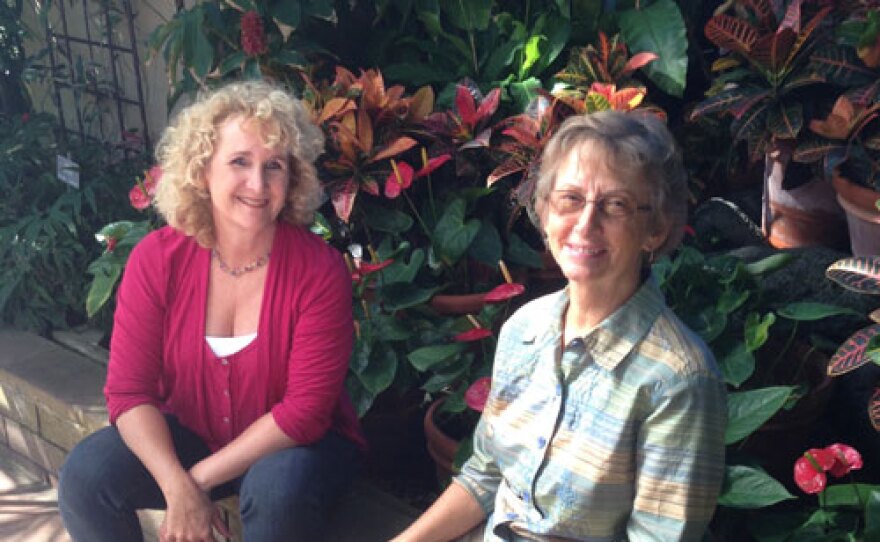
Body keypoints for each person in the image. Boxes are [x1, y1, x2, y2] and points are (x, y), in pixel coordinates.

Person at [392, 111, 727, 542]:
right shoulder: (525, 328)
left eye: (616, 204)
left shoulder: (678, 379)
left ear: (655, 230)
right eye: (570, 199)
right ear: (546, 212)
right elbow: (486, 478)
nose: (585, 224)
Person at [58, 80, 366, 542]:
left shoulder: (318, 271)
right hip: (195, 432)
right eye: (239, 162)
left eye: (274, 167)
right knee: (86, 476)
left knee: (276, 490)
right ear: (202, 171)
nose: (258, 184)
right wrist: (173, 482)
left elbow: (303, 412)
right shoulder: (157, 259)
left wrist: (194, 484)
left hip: (298, 449)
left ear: (293, 179)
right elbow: (128, 391)